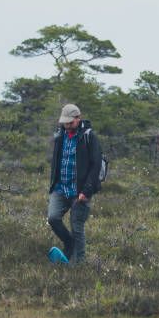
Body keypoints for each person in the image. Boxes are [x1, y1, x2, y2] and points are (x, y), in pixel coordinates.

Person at [47, 104, 103, 263]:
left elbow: (96, 165)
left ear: (78, 118)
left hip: (80, 191)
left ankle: (79, 264)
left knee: (77, 226)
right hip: (60, 188)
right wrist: (53, 185)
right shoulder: (60, 135)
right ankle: (69, 243)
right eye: (65, 123)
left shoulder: (89, 136)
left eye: (70, 123)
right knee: (53, 218)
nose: (67, 126)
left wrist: (87, 190)